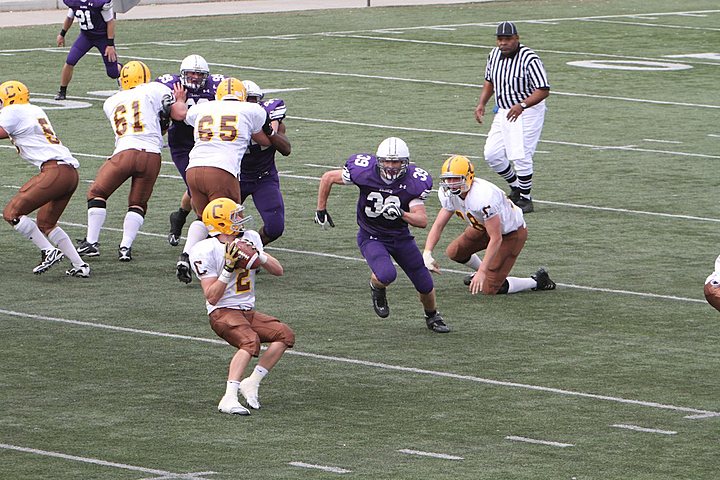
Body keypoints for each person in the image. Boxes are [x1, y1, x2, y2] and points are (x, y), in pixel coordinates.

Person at [315, 137, 450, 333]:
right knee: (386, 274)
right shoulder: (363, 171)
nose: (391, 166)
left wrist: (402, 213)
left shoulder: (415, 182)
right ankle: (377, 288)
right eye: (387, 161)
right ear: (379, 160)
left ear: (405, 162)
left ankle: (432, 316)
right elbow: (328, 177)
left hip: (400, 236)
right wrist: (321, 209)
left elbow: (422, 220)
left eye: (396, 162)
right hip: (371, 235)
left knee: (425, 283)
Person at [189, 197, 294, 415]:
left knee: (285, 335)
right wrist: (227, 268)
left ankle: (252, 382)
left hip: (247, 311)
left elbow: (279, 270)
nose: (240, 220)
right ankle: (228, 398)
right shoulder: (204, 250)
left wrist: (259, 256)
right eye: (235, 216)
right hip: (222, 312)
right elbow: (212, 297)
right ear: (221, 222)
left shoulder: (250, 238)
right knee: (249, 341)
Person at [76, 60, 187, 261]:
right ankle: (125, 247)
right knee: (138, 203)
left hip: (126, 151)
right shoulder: (156, 89)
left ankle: (92, 242)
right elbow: (173, 117)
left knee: (97, 193)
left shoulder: (110, 102)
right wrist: (179, 99)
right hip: (153, 154)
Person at [176, 77, 274, 284]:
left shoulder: (201, 109)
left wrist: (180, 100)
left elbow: (185, 115)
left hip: (193, 168)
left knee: (205, 219)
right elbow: (264, 140)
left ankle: (186, 257)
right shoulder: (252, 110)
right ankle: (229, 264)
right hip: (222, 170)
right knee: (231, 221)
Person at [423, 155, 556, 295]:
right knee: (455, 252)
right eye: (448, 179)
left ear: (468, 177)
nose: (451, 183)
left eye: (456, 179)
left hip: (510, 233)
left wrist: (482, 271)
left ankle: (537, 281)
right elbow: (438, 225)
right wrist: (427, 253)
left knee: (490, 288)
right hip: (483, 226)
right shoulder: (447, 194)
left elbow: (496, 238)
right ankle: (487, 274)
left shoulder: (483, 197)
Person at [0, 80, 90, 277]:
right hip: (69, 173)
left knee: (12, 213)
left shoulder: (12, 111)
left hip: (54, 170)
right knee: (46, 223)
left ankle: (48, 250)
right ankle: (80, 265)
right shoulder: (33, 110)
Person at [474, 21, 550, 214]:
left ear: (517, 38)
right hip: (505, 110)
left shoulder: (529, 59)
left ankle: (526, 199)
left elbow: (543, 89)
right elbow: (489, 81)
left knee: (522, 154)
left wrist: (522, 105)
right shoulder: (493, 55)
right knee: (492, 154)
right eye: (500, 39)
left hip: (528, 110)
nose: (503, 43)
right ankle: (517, 186)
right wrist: (482, 103)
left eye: (507, 39)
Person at [156, 54, 226, 247]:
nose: (194, 77)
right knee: (196, 187)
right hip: (182, 145)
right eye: (191, 73)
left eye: (199, 73)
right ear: (182, 74)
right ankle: (209, 229)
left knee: (195, 186)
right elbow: (179, 115)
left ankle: (179, 217)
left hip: (207, 142)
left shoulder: (217, 85)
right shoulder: (171, 85)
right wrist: (178, 100)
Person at [240, 79, 292, 245]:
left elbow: (286, 149)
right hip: (234, 178)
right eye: (245, 99)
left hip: (264, 177)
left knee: (275, 227)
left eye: (253, 99)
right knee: (215, 221)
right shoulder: (226, 121)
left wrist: (270, 132)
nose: (249, 104)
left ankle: (251, 249)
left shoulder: (269, 118)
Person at [55, 0, 121, 100]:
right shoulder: (74, 2)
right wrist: (62, 34)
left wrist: (110, 44)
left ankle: (123, 69)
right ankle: (62, 91)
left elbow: (110, 22)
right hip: (86, 37)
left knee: (113, 73)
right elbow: (69, 18)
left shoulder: (99, 2)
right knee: (70, 61)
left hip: (102, 37)